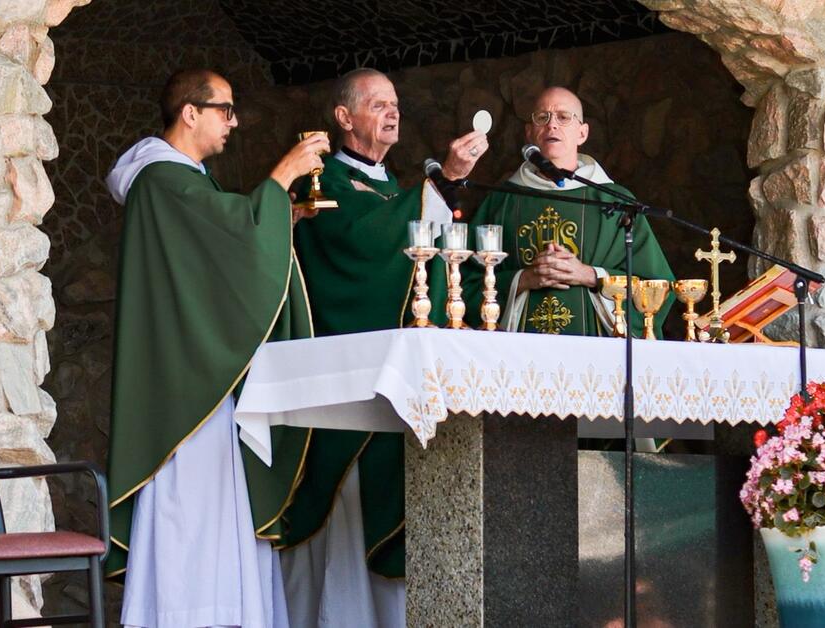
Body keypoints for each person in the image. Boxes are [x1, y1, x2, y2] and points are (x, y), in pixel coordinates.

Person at [104, 69, 326, 627]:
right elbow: (234, 235)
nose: (234, 121)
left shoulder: (185, 182)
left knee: (212, 501)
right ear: (189, 113)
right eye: (224, 109)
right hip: (183, 385)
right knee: (191, 503)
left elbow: (222, 247)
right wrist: (281, 179)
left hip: (195, 376)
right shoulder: (160, 180)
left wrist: (278, 215)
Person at [282, 67, 487, 627]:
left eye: (394, 103)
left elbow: (422, 260)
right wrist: (442, 183)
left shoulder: (395, 190)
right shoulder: (318, 185)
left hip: (394, 392)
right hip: (345, 390)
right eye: (377, 104)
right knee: (346, 524)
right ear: (344, 117)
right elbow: (355, 246)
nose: (392, 112)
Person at [464, 86, 674, 337]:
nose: (552, 125)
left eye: (564, 117)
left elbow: (656, 287)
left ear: (582, 133)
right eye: (542, 117)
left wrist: (590, 275)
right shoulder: (502, 201)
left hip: (597, 353)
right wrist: (525, 279)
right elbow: (464, 283)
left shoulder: (615, 201)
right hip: (518, 355)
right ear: (530, 132)